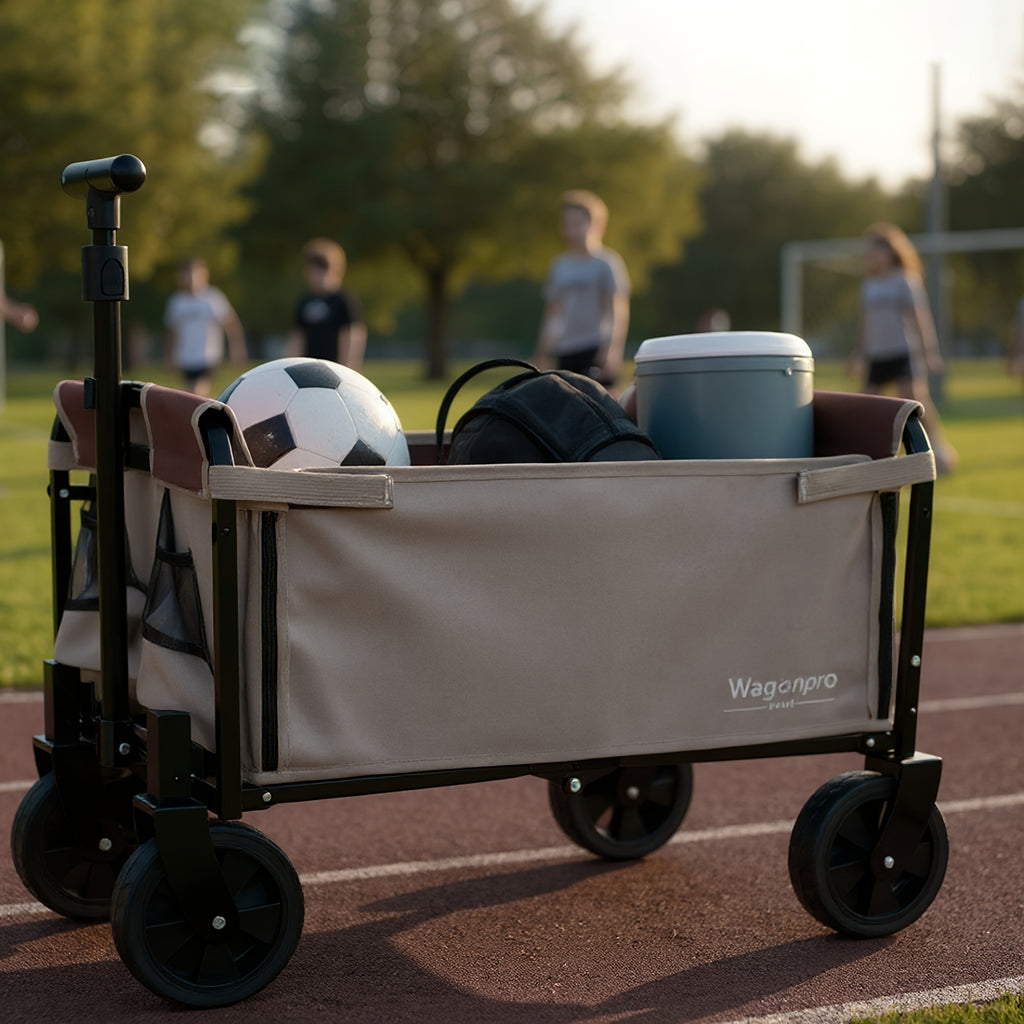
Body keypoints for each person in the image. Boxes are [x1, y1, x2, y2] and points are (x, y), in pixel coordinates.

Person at [847, 222, 958, 474]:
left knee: (915, 399)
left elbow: (920, 319)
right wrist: (857, 354)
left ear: (890, 251)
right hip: (878, 356)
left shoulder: (905, 281)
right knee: (867, 404)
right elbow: (866, 325)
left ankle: (939, 450)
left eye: (875, 250)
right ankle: (869, 455)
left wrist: (930, 353)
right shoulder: (869, 285)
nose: (870, 255)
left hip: (902, 352)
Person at [534, 189, 630, 391]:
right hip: (566, 348)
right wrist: (543, 352)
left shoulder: (606, 263)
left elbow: (617, 311)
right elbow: (553, 314)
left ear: (596, 224)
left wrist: (612, 349)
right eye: (567, 223)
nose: (572, 229)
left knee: (601, 402)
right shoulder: (560, 266)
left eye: (578, 223)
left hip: (595, 346)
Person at [163, 258, 246, 396]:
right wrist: (169, 356)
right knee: (189, 394)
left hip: (207, 356)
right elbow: (172, 332)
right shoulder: (177, 302)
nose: (191, 279)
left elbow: (231, 324)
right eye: (187, 275)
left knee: (198, 392)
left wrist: (237, 349)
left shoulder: (212, 298)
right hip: (185, 358)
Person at [285, 238, 366, 369]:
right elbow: (298, 337)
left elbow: (352, 335)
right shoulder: (306, 301)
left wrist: (347, 367)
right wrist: (289, 363)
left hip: (333, 368)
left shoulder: (343, 300)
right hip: (309, 367)